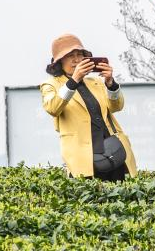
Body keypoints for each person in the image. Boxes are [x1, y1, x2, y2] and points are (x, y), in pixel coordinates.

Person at [40, 34, 137, 181]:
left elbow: (116, 106)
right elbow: (52, 108)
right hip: (82, 157)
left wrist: (111, 84)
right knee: (88, 193)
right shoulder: (51, 84)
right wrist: (74, 80)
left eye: (80, 54)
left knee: (119, 192)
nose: (76, 59)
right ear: (59, 62)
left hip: (112, 150)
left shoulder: (96, 82)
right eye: (70, 56)